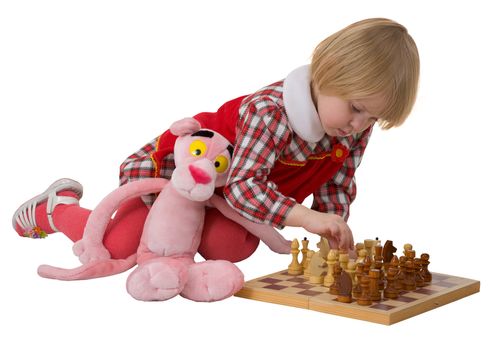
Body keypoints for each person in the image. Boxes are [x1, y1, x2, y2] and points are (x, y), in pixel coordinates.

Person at [12, 18, 420, 262]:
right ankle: (57, 209)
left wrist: (333, 231)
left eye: (373, 117)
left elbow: (336, 183)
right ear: (328, 75)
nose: (359, 125)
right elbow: (244, 188)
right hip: (176, 182)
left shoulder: (350, 129)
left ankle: (186, 235)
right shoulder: (271, 111)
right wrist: (307, 218)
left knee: (230, 247)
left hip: (221, 198)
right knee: (120, 246)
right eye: (355, 108)